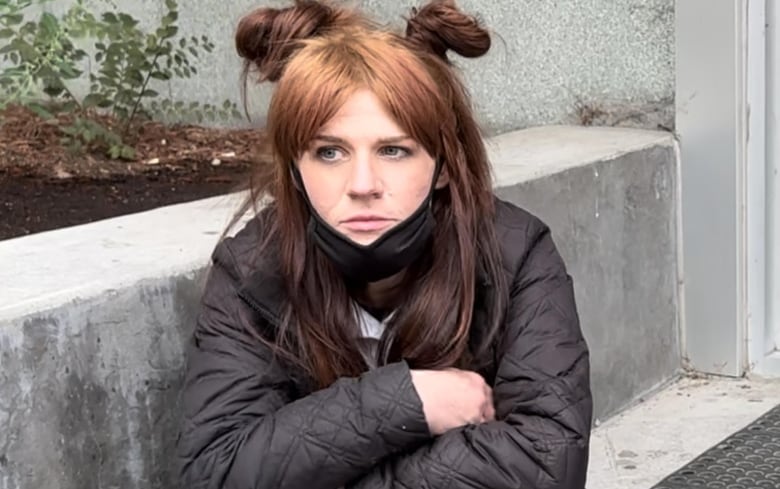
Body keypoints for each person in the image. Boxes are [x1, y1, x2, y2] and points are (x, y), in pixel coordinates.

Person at [175, 0, 593, 488]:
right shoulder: (251, 272)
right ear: (295, 168)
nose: (363, 183)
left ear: (444, 164)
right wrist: (410, 401)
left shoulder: (514, 255)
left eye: (393, 150)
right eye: (329, 152)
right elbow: (216, 472)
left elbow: (548, 464)